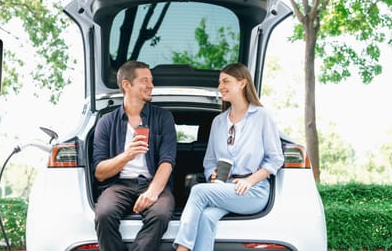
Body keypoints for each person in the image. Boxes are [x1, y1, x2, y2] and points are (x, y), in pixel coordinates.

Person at [173, 63, 284, 251]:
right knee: (207, 216)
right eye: (219, 82)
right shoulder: (218, 122)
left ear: (242, 83)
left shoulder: (262, 116)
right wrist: (212, 175)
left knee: (199, 191)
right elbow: (209, 161)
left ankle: (182, 248)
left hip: (254, 192)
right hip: (225, 189)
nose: (220, 86)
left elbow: (275, 159)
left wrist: (249, 180)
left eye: (226, 81)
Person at [93, 60, 177, 251]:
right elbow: (99, 172)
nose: (151, 86)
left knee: (161, 215)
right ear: (127, 85)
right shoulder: (106, 122)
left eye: (151, 81)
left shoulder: (163, 118)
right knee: (104, 214)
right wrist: (127, 155)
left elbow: (167, 161)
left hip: (153, 183)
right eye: (145, 80)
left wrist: (153, 192)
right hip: (118, 185)